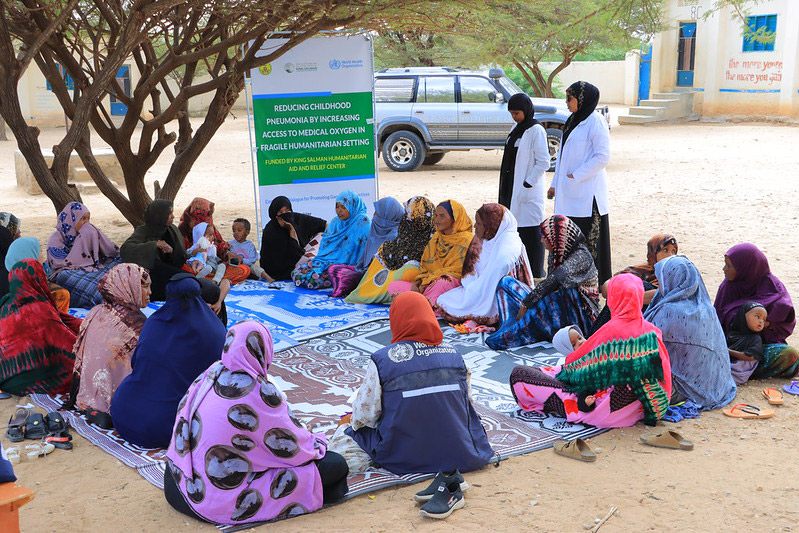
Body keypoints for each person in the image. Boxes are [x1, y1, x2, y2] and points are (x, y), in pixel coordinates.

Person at [164, 321, 348, 525]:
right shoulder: (258, 392)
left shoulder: (210, 374)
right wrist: (318, 442)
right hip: (210, 500)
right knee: (334, 464)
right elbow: (297, 452)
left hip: (176, 481)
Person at [329, 292, 495, 474]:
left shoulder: (383, 360)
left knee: (344, 438)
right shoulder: (455, 354)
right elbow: (466, 405)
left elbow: (364, 417)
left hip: (403, 458)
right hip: (461, 453)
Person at [509, 274, 672, 428]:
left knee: (519, 376)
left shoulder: (612, 331)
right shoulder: (652, 331)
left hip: (605, 411)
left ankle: (566, 405)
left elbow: (575, 370)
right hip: (640, 410)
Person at [110, 275, 226, 448]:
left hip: (123, 416)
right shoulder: (214, 331)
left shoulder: (153, 323)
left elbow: (136, 363)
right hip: (167, 427)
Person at [486, 215, 599, 350]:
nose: (541, 240)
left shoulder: (582, 256)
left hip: (580, 316)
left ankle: (515, 334)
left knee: (562, 294)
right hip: (554, 306)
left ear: (558, 239)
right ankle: (509, 326)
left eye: (545, 237)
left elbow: (556, 279)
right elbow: (548, 285)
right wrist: (530, 301)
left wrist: (528, 302)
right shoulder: (557, 253)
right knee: (506, 283)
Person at [642, 256, 736, 409]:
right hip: (715, 385)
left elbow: (643, 347)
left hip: (686, 390)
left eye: (663, 279)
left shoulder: (670, 311)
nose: (660, 285)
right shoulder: (705, 307)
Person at [65, 264, 151, 414]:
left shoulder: (95, 312)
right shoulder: (136, 323)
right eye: (144, 287)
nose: (150, 292)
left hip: (86, 395)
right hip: (116, 402)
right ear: (127, 287)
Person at [549, 81, 612, 285]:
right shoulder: (572, 120)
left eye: (570, 98)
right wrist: (555, 183)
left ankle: (590, 283)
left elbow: (603, 156)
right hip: (568, 191)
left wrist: (576, 175)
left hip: (587, 193)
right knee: (568, 238)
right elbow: (562, 157)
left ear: (582, 100)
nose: (566, 102)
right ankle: (569, 279)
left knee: (587, 241)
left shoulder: (595, 121)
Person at [714, 243, 799, 379]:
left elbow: (785, 320)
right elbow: (716, 320)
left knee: (790, 354)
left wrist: (767, 324)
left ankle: (743, 369)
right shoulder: (728, 287)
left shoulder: (773, 288)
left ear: (746, 268)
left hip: (758, 348)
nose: (724, 269)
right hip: (728, 345)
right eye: (725, 264)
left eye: (729, 266)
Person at [437, 204, 532, 325]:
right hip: (478, 286)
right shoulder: (482, 238)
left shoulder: (509, 243)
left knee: (452, 304)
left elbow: (497, 272)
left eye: (479, 224)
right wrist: (472, 286)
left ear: (492, 226)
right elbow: (470, 270)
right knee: (444, 300)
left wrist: (476, 292)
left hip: (501, 294)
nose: (475, 226)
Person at [0, 258, 81, 395]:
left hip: (5, 376)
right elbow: (67, 345)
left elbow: (61, 319)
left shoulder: (5, 304)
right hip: (31, 384)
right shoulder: (40, 310)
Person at [346, 196, 436, 305]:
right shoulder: (405, 232)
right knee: (381, 257)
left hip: (420, 283)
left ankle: (372, 295)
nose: (373, 216)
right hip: (398, 275)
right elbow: (396, 252)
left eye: (409, 215)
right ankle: (363, 293)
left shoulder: (435, 240)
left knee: (408, 271)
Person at [499, 93, 550, 278]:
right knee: (514, 230)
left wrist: (528, 182)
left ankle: (535, 272)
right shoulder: (517, 128)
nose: (514, 116)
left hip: (527, 190)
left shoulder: (536, 130)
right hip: (511, 185)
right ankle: (519, 272)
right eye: (512, 113)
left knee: (531, 232)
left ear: (526, 110)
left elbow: (543, 161)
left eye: (517, 113)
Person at [388, 200, 473, 308]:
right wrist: (418, 283)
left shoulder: (466, 240)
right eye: (436, 215)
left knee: (443, 282)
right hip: (429, 284)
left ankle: (421, 306)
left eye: (442, 216)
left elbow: (458, 271)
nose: (436, 220)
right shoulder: (436, 237)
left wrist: (430, 280)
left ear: (454, 218)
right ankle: (425, 305)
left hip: (450, 285)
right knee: (393, 286)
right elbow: (425, 267)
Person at [589, 234, 678, 335]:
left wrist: (632, 296)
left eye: (673, 251)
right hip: (620, 319)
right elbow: (607, 289)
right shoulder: (638, 271)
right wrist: (626, 292)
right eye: (665, 250)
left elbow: (667, 294)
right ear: (653, 252)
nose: (670, 255)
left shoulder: (675, 276)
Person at [292, 190, 371, 290]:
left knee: (312, 279)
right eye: (337, 206)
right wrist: (323, 263)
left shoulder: (363, 222)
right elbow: (325, 246)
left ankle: (336, 278)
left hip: (347, 267)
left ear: (353, 206)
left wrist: (335, 264)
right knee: (297, 271)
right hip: (326, 262)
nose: (339, 210)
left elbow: (359, 252)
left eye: (343, 207)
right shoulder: (335, 222)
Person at [46, 202, 121, 308]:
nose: (86, 223)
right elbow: (62, 265)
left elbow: (108, 251)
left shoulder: (88, 233)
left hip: (89, 268)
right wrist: (82, 241)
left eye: (88, 219)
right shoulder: (56, 239)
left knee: (117, 263)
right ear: (71, 219)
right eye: (82, 219)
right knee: (66, 276)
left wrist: (89, 235)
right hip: (67, 271)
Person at [328, 196, 404, 297]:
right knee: (333, 268)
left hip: (380, 278)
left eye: (377, 213)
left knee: (341, 274)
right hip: (364, 271)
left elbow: (386, 268)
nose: (374, 215)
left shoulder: (396, 236)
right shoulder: (377, 228)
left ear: (387, 217)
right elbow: (363, 260)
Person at [177, 197, 250, 285]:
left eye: (207, 216)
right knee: (184, 270)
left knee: (244, 269)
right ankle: (206, 279)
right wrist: (195, 252)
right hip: (194, 267)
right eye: (201, 216)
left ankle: (213, 281)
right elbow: (181, 255)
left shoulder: (209, 228)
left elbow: (219, 245)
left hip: (213, 266)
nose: (205, 219)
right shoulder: (182, 230)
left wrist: (227, 254)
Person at [259, 196, 328, 281]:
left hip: (300, 261)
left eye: (287, 210)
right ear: (274, 214)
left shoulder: (297, 218)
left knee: (322, 236)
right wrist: (291, 230)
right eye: (280, 212)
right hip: (277, 271)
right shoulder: (271, 229)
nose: (285, 214)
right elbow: (294, 254)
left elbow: (325, 225)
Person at [4, 235, 71, 312]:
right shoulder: (56, 294)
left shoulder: (7, 293)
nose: (43, 257)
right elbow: (59, 321)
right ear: (31, 256)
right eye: (40, 252)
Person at [726, 302, 768, 384]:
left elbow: (751, 357)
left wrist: (728, 351)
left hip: (737, 372)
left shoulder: (756, 338)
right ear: (743, 316)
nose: (761, 321)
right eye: (757, 316)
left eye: (764, 319)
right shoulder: (731, 334)